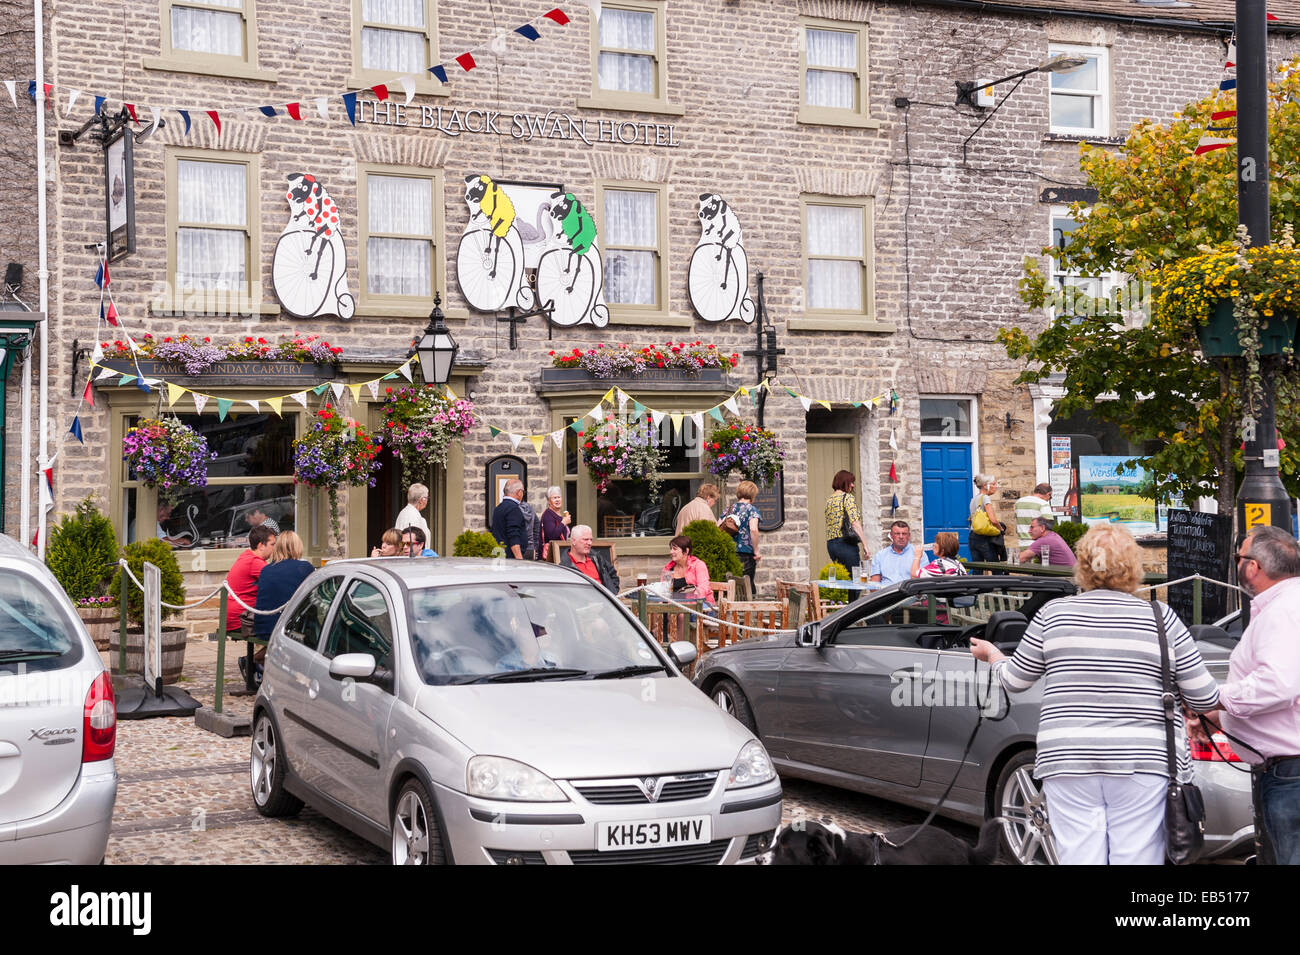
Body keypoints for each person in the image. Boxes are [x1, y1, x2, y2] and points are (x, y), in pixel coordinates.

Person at [970, 523, 1221, 865]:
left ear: (1083, 566)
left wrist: (993, 656)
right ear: (1134, 566)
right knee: (1136, 857)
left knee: (1078, 856)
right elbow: (1205, 698)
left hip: (1069, 757)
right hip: (1143, 759)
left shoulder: (1053, 616)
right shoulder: (1162, 619)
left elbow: (1014, 680)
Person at [1197, 525, 1300, 865]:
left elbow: (1278, 685)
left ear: (1253, 566)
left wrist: (1217, 698)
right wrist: (1220, 716)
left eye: (1238, 556)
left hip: (1291, 775)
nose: (1237, 563)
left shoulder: (1282, 612)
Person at [254, 531, 313, 643]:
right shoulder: (304, 568)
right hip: (289, 630)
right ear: (298, 546)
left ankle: (259, 656)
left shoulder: (266, 570)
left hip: (263, 628)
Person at [226, 524, 276, 635]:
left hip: (234, 616)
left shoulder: (247, 555)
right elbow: (278, 581)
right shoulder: (255, 562)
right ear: (261, 546)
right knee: (284, 630)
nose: (274, 548)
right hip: (241, 619)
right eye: (272, 544)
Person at [824, 469, 869, 573]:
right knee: (855, 580)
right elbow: (855, 523)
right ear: (843, 482)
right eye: (851, 482)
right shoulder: (847, 497)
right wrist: (865, 545)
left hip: (831, 545)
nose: (853, 485)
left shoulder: (829, 500)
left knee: (842, 580)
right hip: (845, 544)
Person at [721, 481, 762, 591]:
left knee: (732, 587)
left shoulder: (729, 509)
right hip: (745, 554)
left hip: (729, 553)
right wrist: (756, 550)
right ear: (752, 494)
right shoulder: (751, 510)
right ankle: (747, 608)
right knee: (746, 587)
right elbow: (753, 529)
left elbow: (717, 527)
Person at [560, 524, 619, 592]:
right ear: (573, 541)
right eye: (585, 539)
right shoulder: (565, 567)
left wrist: (613, 592)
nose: (589, 543)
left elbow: (613, 574)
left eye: (591, 539)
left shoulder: (596, 558)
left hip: (605, 601)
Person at [491, 478, 539, 560]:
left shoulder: (498, 508)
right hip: (511, 557)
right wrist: (519, 559)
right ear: (519, 492)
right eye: (523, 491)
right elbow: (513, 536)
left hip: (500, 554)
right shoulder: (514, 509)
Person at [968, 474, 1007, 569]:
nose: (995, 486)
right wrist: (1001, 529)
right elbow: (993, 520)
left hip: (973, 536)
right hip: (984, 538)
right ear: (985, 485)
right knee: (995, 568)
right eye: (993, 484)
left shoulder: (973, 499)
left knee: (978, 569)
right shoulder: (985, 498)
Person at [661, 535, 713, 603]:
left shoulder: (698, 565)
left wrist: (686, 606)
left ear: (686, 551)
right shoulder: (668, 568)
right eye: (671, 549)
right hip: (673, 608)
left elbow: (702, 589)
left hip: (698, 608)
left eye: (674, 549)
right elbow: (663, 591)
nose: (671, 552)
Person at [1014, 483, 1055, 550]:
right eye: (1050, 497)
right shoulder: (1043, 504)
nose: (1048, 500)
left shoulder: (1018, 502)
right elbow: (1048, 527)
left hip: (1021, 543)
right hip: (1037, 545)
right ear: (1048, 494)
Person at [540, 485, 571, 559]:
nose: (557, 500)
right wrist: (563, 523)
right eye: (554, 498)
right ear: (548, 501)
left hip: (559, 553)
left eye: (559, 497)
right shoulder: (548, 515)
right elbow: (552, 536)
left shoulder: (560, 515)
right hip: (551, 556)